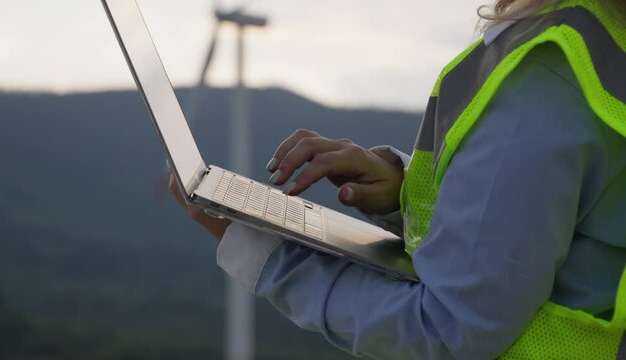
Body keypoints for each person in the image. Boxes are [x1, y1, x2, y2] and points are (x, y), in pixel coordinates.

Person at [169, 0, 626, 358]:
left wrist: (263, 250)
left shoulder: (548, 66)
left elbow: (448, 333)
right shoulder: (601, 42)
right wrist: (403, 193)